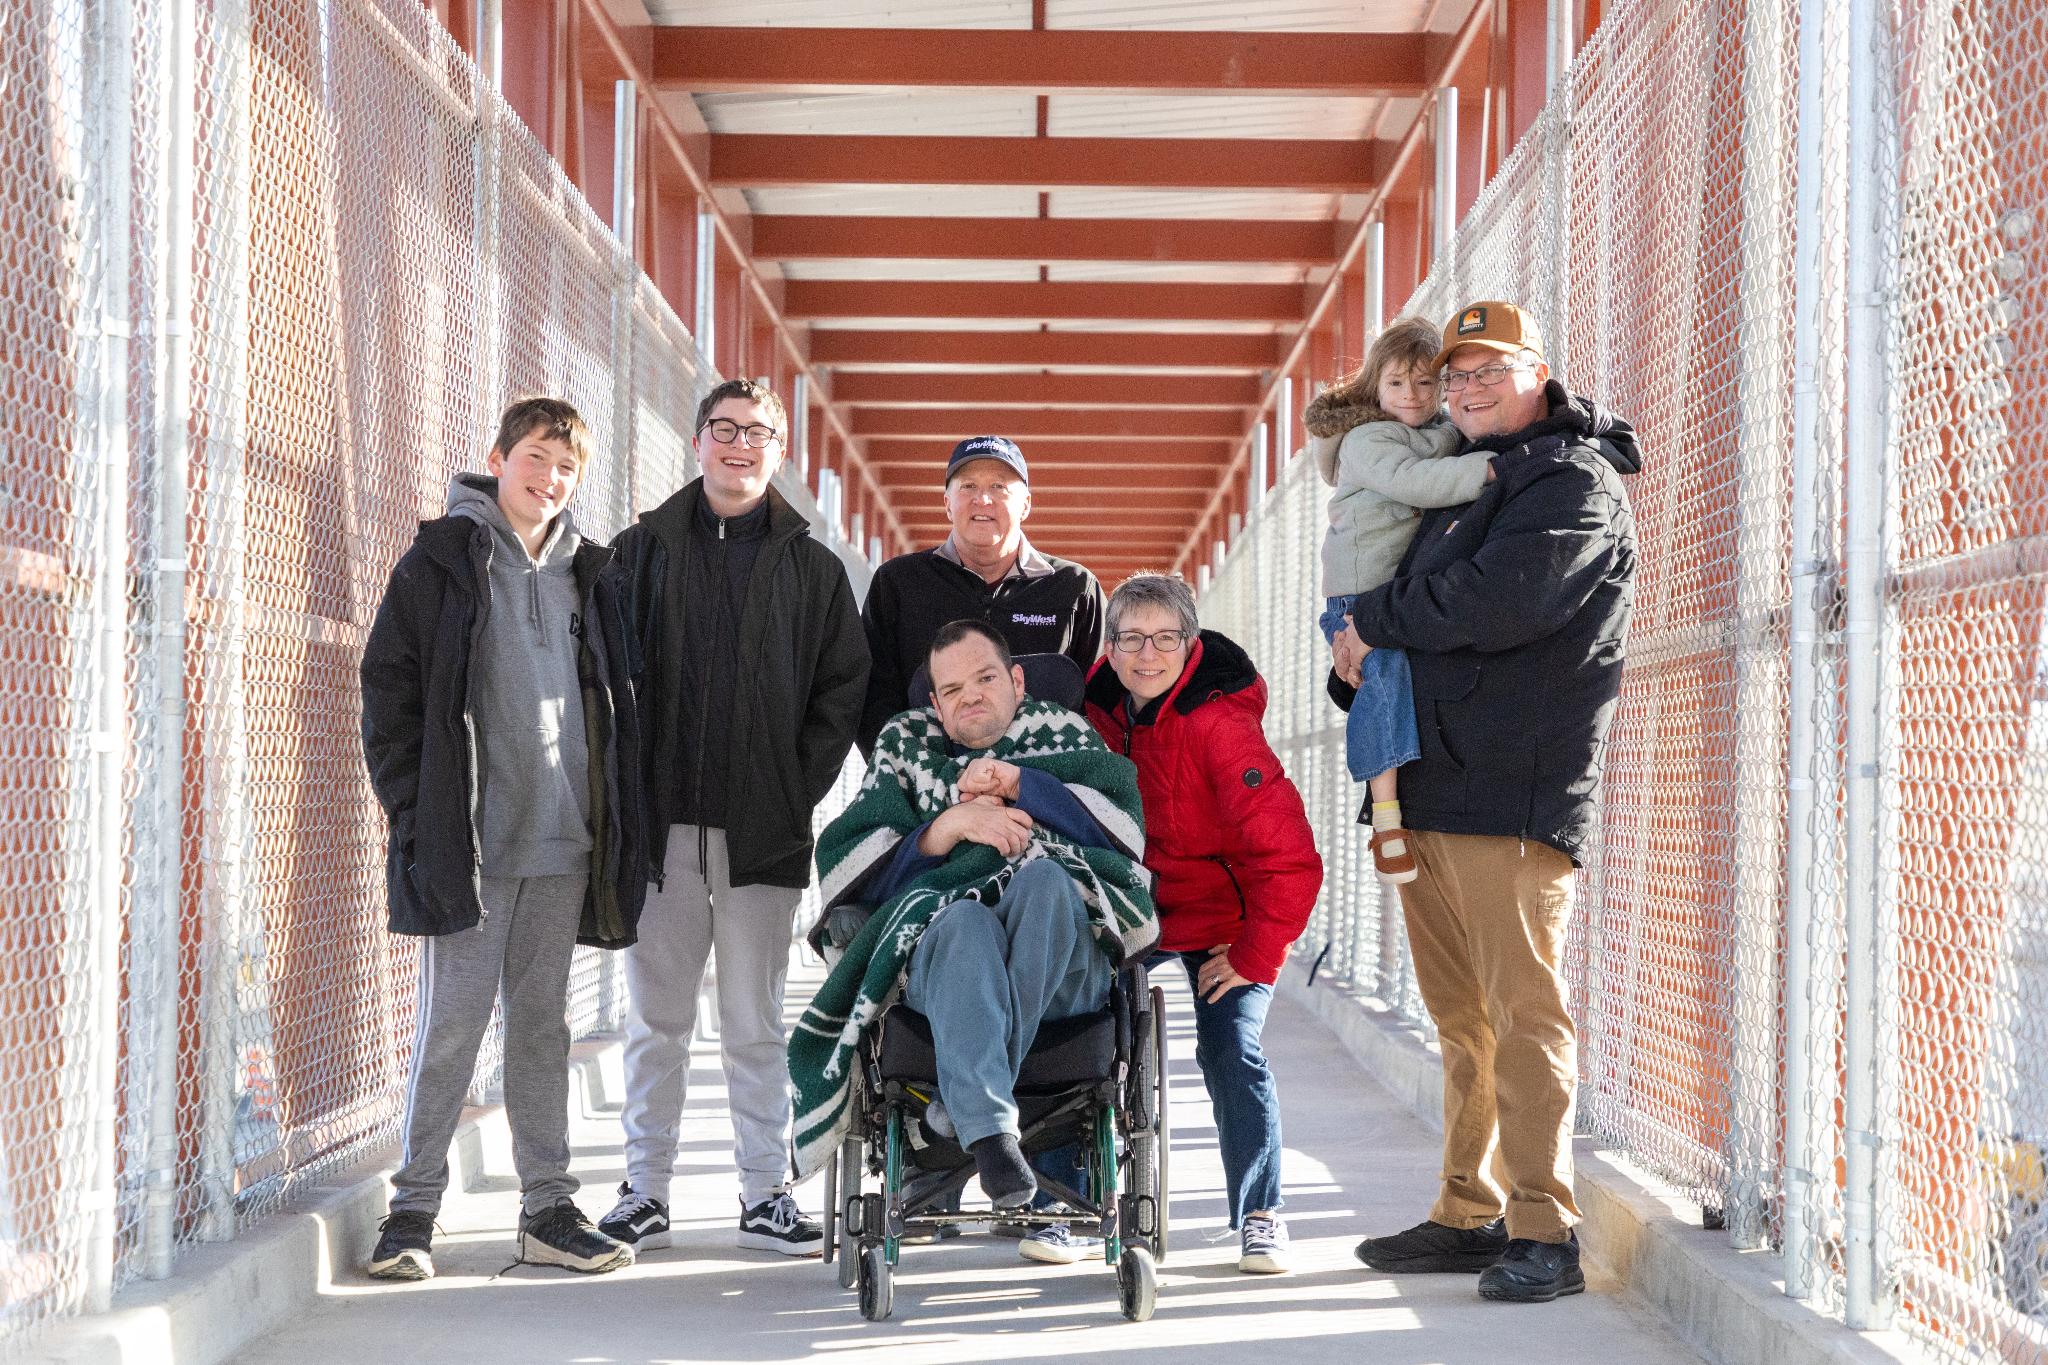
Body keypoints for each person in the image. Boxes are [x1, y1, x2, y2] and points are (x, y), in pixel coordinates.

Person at [1338, 302, 1640, 1304]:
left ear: (1537, 373)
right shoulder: (1470, 480)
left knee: (1520, 1014)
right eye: (1454, 377)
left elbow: (1496, 604)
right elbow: (1405, 625)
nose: (1465, 391)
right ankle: (1468, 1210)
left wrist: (1370, 619)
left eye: (1487, 373)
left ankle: (1545, 1229)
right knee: (1459, 1017)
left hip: (1509, 791)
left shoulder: (1568, 481)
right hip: (1430, 782)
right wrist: (1359, 656)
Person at [359, 396, 646, 1280]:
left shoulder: (589, 574)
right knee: (452, 1027)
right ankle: (411, 1214)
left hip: (564, 843)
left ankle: (548, 1209)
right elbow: (389, 693)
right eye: (535, 457)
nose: (549, 478)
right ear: (498, 458)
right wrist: (417, 815)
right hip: (474, 845)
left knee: (541, 1030)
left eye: (566, 466)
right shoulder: (443, 560)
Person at [596, 378, 869, 1258]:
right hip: (661, 833)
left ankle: (764, 1193)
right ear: (698, 440)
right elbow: (601, 679)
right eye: (725, 428)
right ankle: (645, 1189)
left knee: (753, 1022)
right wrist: (627, 792)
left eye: (757, 432)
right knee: (657, 1021)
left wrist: (790, 789)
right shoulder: (640, 552)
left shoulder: (812, 569)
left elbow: (841, 692)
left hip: (762, 834)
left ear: (779, 450)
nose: (740, 444)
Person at [787, 620, 1159, 1208]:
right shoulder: (906, 746)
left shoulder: (1066, 733)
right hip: (946, 972)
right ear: (936, 704)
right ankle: (991, 1134)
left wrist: (1023, 785)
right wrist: (943, 830)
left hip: (1066, 969)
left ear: (1016, 681)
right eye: (953, 690)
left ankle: (966, 1116)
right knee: (963, 920)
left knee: (1047, 880)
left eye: (985, 679)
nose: (971, 697)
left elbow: (1122, 834)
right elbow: (847, 863)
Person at [1074, 574, 1322, 1275]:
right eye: (1131, 638)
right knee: (1074, 1020)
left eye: (1165, 638)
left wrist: (1253, 955)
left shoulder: (1220, 724)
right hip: (1133, 908)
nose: (1147, 654)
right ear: (1109, 647)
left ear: (1189, 644)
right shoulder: (1092, 713)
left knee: (1229, 1048)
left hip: (1224, 918)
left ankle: (1261, 1214)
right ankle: (1072, 1200)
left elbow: (1291, 859)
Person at [1305, 317, 1497, 884]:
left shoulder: (1438, 431)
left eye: (1424, 382)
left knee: (1414, 678)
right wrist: (1492, 468)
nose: (1410, 395)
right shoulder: (1367, 440)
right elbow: (1418, 482)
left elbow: (1440, 445)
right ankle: (1385, 814)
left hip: (1394, 590)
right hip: (1359, 594)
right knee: (1384, 676)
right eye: (1395, 383)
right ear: (1374, 386)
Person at [856, 436, 1105, 758]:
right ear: (947, 503)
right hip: (928, 781)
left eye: (999, 486)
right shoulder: (898, 582)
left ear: (1026, 504)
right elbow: (870, 696)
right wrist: (910, 773)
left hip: (1047, 782)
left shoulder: (1075, 587)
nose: (982, 499)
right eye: (968, 486)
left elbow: (1102, 703)